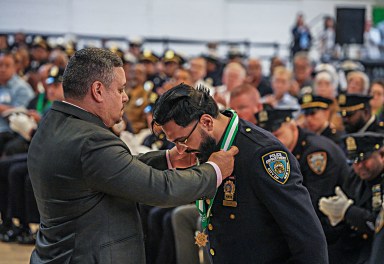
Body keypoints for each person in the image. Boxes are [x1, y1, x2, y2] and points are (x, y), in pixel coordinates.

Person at [27, 48, 238, 263]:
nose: (125, 97)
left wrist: (168, 159)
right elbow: (160, 189)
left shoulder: (53, 123)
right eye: (120, 90)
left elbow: (109, 171)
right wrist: (214, 170)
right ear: (98, 90)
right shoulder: (91, 140)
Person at [152, 83, 328, 263]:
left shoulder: (261, 154)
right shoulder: (209, 146)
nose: (180, 151)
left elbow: (309, 242)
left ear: (207, 122)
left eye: (183, 141)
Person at [255, 108, 350, 263]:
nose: (273, 141)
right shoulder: (284, 152)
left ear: (292, 126)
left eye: (278, 135)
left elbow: (311, 203)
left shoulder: (316, 153)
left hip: (335, 236)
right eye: (269, 136)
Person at [319, 132, 384, 264]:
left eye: (364, 159)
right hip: (353, 249)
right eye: (354, 160)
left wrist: (348, 211)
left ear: (382, 155)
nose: (359, 166)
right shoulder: (354, 178)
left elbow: (377, 226)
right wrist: (333, 218)